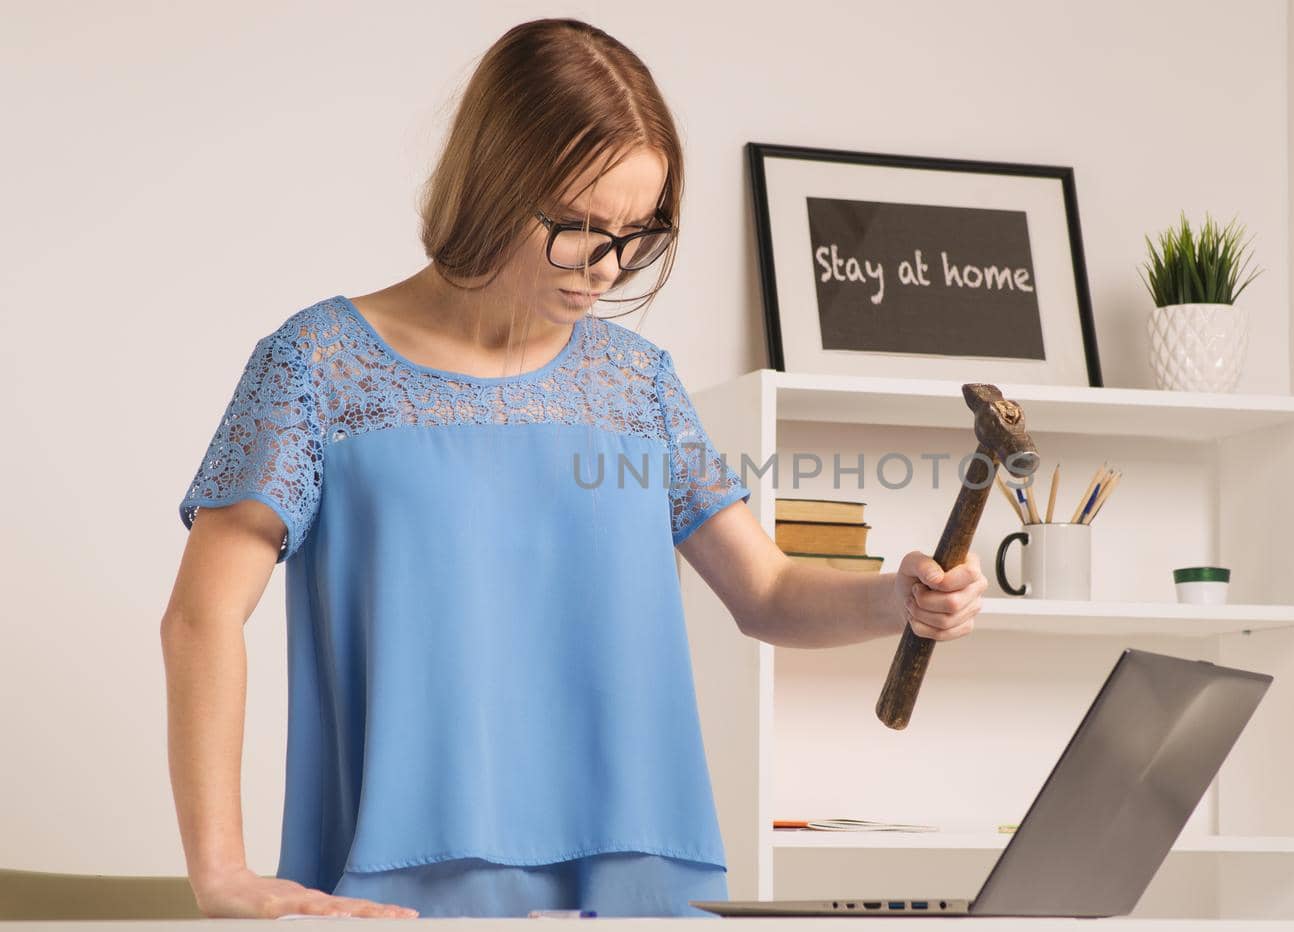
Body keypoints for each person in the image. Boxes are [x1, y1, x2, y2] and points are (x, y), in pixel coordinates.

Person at [159, 17, 989, 920]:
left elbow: (767, 593)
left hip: (639, 875)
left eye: (640, 231)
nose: (608, 267)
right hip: (403, 881)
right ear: (491, 184)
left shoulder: (637, 384)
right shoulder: (317, 365)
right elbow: (201, 618)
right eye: (581, 226)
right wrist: (222, 873)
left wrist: (894, 599)